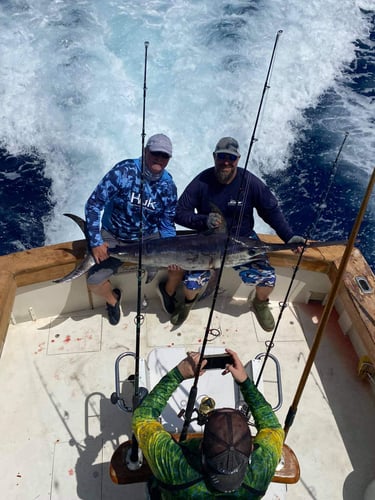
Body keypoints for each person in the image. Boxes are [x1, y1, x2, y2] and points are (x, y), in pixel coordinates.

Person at [160, 137, 304, 330]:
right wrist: (204, 220)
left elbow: (271, 211)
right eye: (222, 157)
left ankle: (260, 302)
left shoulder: (250, 182)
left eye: (231, 158)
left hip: (242, 241)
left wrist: (289, 237)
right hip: (207, 243)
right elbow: (179, 213)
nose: (226, 162)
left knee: (268, 277)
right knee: (192, 282)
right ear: (214, 157)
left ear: (238, 159)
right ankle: (187, 303)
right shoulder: (202, 181)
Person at [132, 348, 284, 498]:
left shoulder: (174, 465)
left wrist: (178, 374)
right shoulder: (261, 470)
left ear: (201, 446)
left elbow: (143, 418)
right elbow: (272, 427)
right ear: (251, 449)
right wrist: (245, 381)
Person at [85, 133, 181, 325]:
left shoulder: (168, 187)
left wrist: (171, 251)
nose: (159, 159)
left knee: (179, 269)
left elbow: (167, 223)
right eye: (155, 153)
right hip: (113, 236)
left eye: (165, 156)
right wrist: (96, 242)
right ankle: (113, 300)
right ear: (145, 151)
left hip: (149, 240)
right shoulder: (123, 172)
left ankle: (166, 291)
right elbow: (94, 204)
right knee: (93, 282)